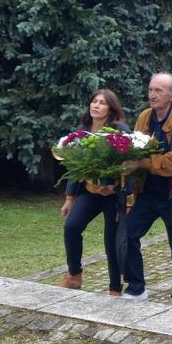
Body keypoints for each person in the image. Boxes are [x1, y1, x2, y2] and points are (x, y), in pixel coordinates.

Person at [118, 73, 172, 305]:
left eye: (158, 90)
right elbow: (135, 148)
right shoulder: (144, 116)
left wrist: (142, 163)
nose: (152, 94)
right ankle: (136, 287)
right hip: (149, 192)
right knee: (129, 234)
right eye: (151, 89)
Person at [59, 89, 128, 293]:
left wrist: (115, 186)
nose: (96, 105)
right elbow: (75, 166)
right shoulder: (82, 129)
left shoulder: (119, 130)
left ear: (111, 109)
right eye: (94, 101)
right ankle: (74, 275)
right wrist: (69, 198)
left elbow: (129, 164)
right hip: (89, 191)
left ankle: (115, 288)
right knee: (72, 227)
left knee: (111, 241)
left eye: (102, 103)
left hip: (112, 195)